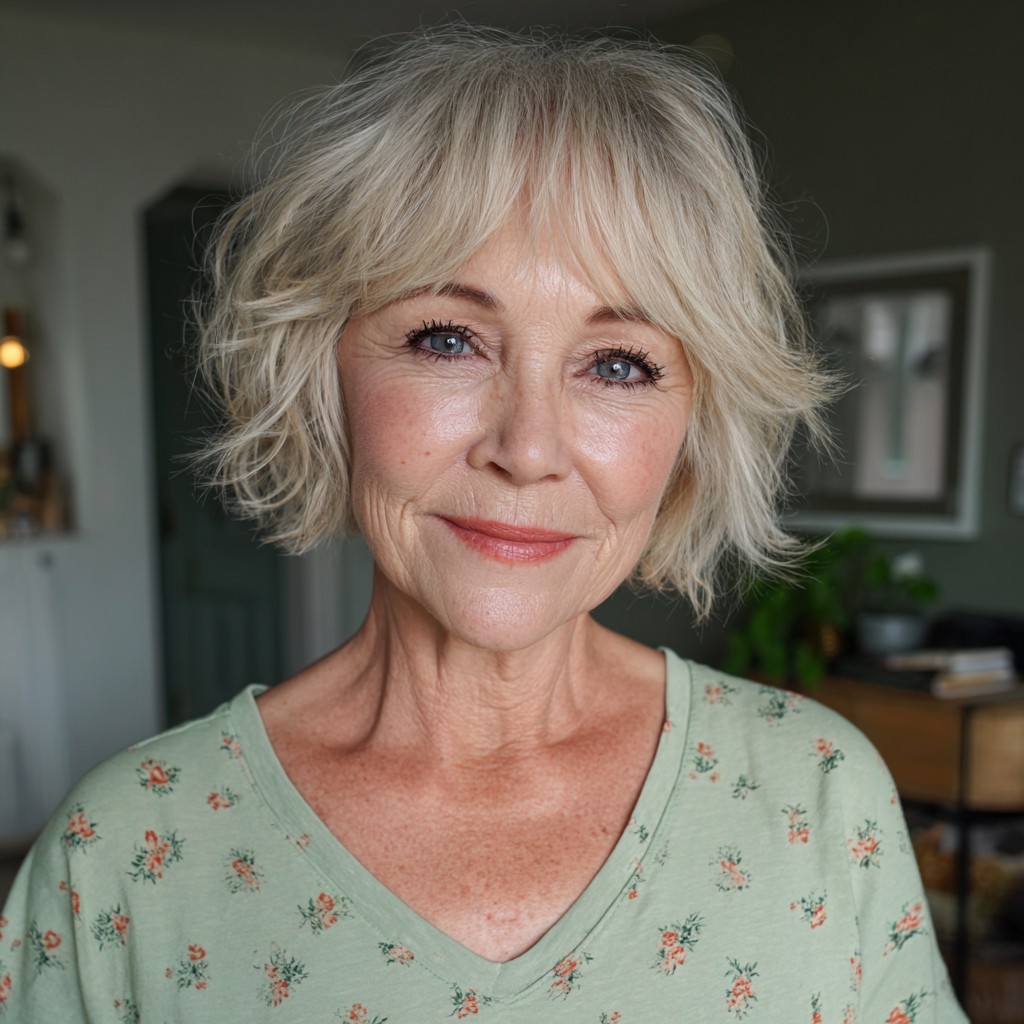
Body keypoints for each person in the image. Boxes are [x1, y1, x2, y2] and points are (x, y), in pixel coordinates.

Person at [1, 26, 966, 1022]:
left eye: (618, 363)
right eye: (448, 339)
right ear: (322, 370)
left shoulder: (817, 796)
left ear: (692, 422)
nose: (528, 445)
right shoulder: (123, 860)